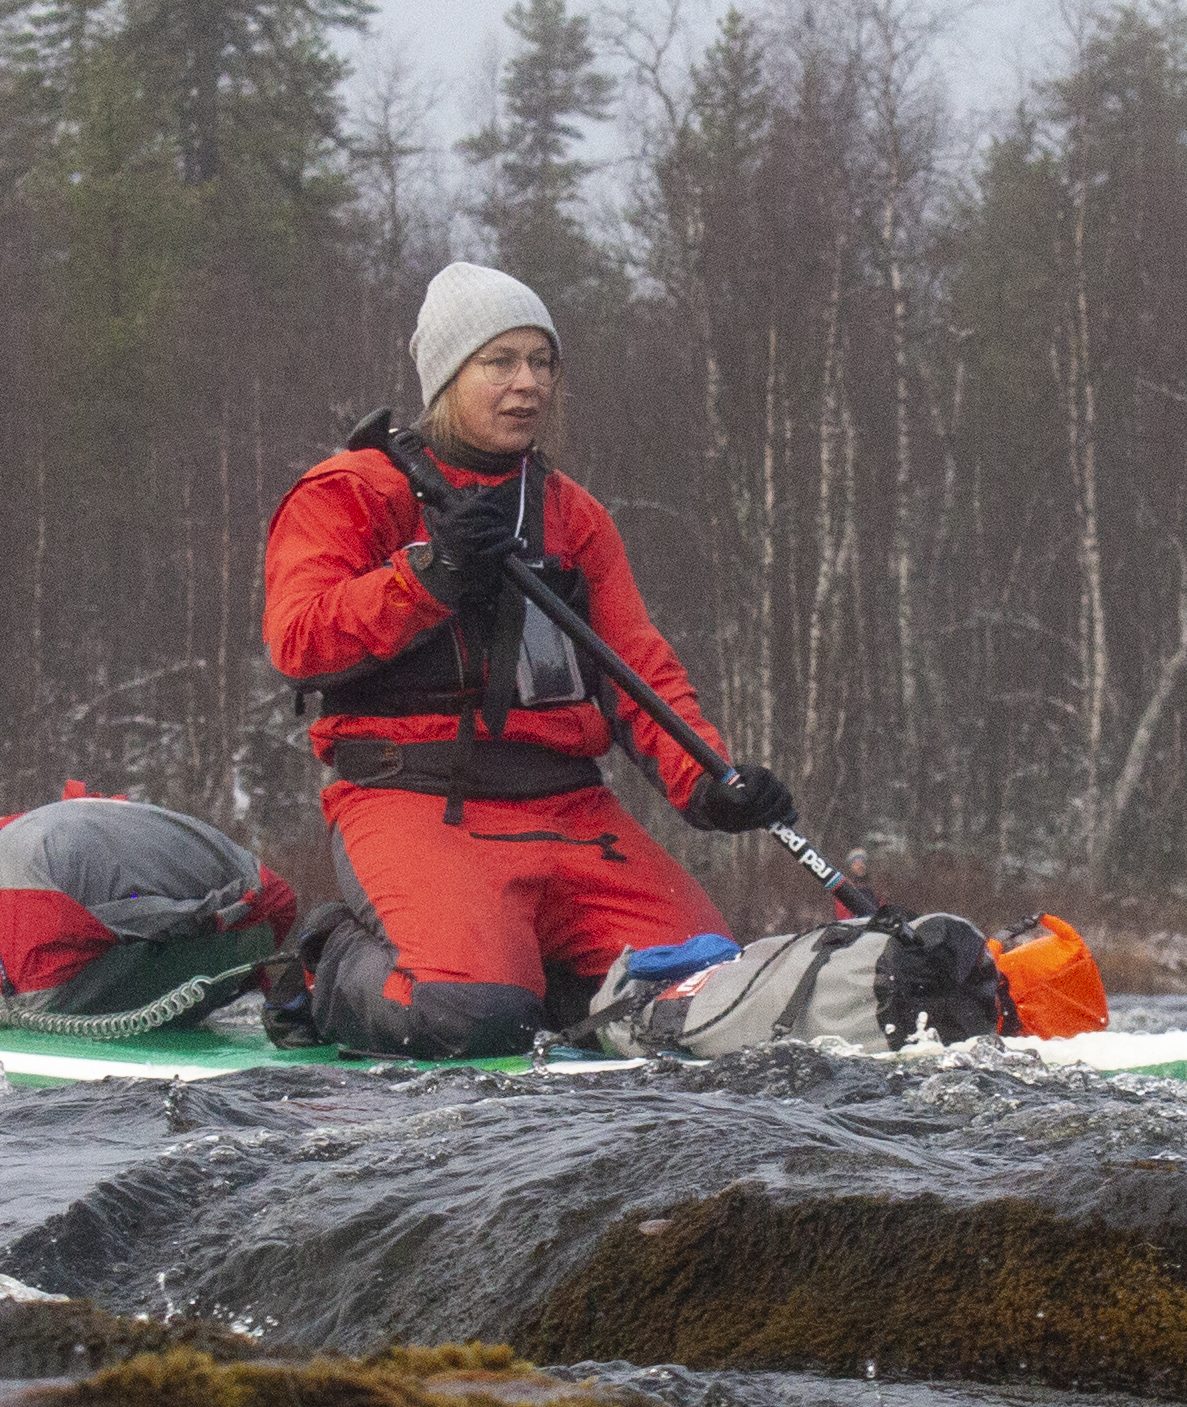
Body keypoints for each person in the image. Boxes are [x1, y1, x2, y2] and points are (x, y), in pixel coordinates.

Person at [259, 260, 798, 1055]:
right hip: (414, 800)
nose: (527, 385)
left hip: (570, 812)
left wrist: (711, 782)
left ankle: (541, 971)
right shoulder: (353, 490)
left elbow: (637, 672)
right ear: (447, 374)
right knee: (473, 1018)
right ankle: (326, 965)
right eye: (499, 362)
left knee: (711, 1001)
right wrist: (429, 578)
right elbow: (299, 642)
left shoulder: (573, 518)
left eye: (541, 362)